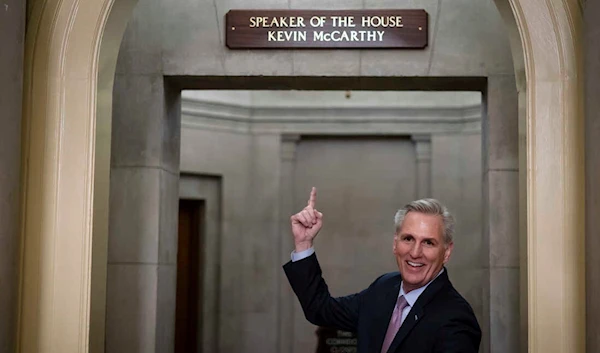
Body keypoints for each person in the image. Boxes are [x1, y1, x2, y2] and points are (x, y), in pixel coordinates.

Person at [283, 187, 481, 353]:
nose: (415, 252)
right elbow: (321, 310)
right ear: (395, 243)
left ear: (446, 252)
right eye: (408, 239)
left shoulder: (456, 319)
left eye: (428, 242)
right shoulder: (384, 287)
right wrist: (304, 242)